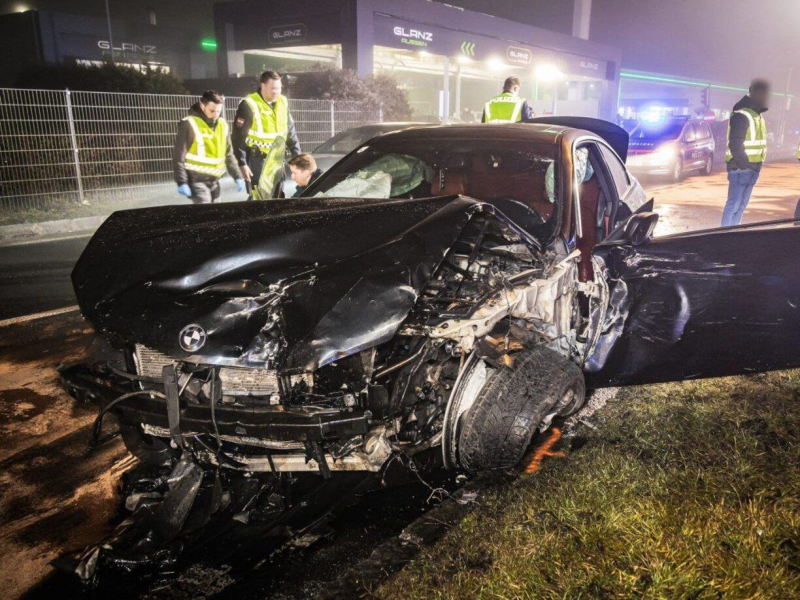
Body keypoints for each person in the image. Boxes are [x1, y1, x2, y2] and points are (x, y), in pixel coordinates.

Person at [233, 70, 301, 200]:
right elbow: (238, 138)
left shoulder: (283, 102)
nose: (277, 92)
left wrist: (298, 158)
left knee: (278, 197)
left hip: (277, 160)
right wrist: (242, 163)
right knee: (260, 199)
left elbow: (290, 132)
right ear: (262, 86)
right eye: (273, 88)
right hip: (258, 160)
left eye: (279, 88)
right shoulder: (249, 104)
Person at [173, 90, 245, 204]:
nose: (215, 114)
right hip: (196, 181)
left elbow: (228, 154)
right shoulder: (189, 124)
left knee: (216, 216)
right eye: (212, 111)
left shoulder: (222, 125)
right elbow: (179, 155)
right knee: (206, 216)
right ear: (202, 106)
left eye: (218, 111)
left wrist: (238, 176)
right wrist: (181, 182)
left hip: (215, 181)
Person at [721, 79, 770, 227]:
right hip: (741, 169)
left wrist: (756, 165)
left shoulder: (757, 115)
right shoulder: (743, 114)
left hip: (752, 169)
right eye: (761, 93)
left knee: (741, 207)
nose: (764, 97)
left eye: (766, 94)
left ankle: (734, 236)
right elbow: (735, 143)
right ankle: (724, 238)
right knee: (733, 206)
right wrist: (745, 164)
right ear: (752, 93)